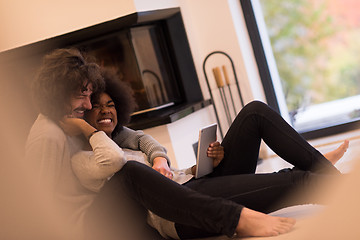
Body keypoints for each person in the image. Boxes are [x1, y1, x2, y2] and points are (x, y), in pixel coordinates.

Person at [61, 66, 348, 239]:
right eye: (95, 106)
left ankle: (321, 167)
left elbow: (154, 152)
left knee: (254, 112)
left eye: (110, 104)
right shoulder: (86, 158)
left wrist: (200, 167)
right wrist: (87, 131)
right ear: (82, 116)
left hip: (196, 183)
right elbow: (117, 162)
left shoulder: (125, 138)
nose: (105, 109)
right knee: (298, 183)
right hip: (181, 214)